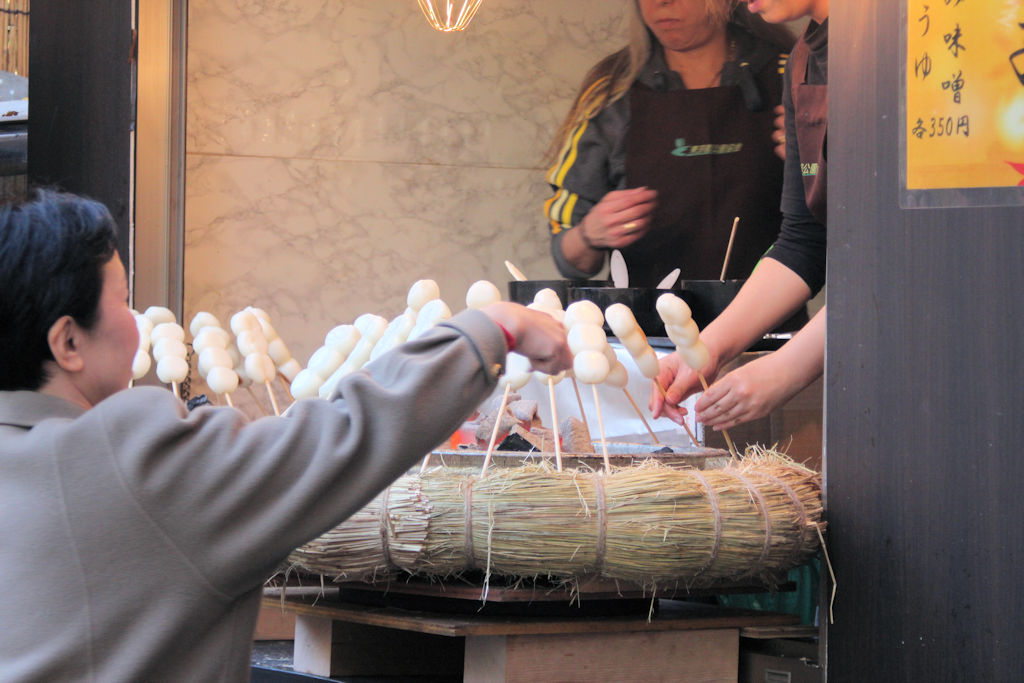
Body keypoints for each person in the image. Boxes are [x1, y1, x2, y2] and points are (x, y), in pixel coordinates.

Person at [0, 189, 572, 680]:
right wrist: (490, 330)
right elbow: (345, 434)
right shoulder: (129, 461)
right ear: (67, 343)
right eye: (124, 300)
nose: (136, 319)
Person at [651, 0, 828, 431]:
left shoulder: (903, 47)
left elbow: (913, 254)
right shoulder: (805, 59)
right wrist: (705, 349)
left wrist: (789, 368)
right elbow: (803, 243)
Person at [545, 0, 795, 288]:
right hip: (640, 328)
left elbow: (839, 226)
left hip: (769, 325)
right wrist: (589, 233)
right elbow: (572, 260)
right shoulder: (612, 91)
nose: (661, 3)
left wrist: (815, 161)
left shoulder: (790, 75)